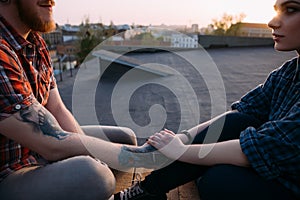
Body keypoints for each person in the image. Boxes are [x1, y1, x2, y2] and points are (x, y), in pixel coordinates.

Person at [113, 0, 300, 199]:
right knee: (237, 122)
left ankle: (150, 190)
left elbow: (258, 149)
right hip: (280, 170)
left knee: (218, 181)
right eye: (277, 11)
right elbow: (242, 113)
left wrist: (181, 150)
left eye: (291, 9)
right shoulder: (288, 72)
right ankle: (148, 191)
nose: (272, 22)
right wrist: (182, 138)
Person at [0, 0, 167, 199]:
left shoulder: (34, 42)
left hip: (36, 152)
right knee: (94, 176)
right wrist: (141, 155)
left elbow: (58, 109)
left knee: (124, 138)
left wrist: (96, 155)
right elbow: (52, 144)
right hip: (9, 174)